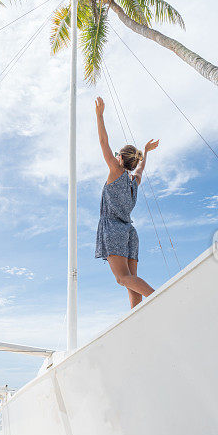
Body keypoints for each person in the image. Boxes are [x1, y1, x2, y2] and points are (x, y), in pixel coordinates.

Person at [94, 96, 158, 308]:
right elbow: (140, 169)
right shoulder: (134, 182)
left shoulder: (116, 171)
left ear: (120, 159)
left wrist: (100, 115)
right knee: (133, 286)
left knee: (122, 279)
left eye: (115, 156)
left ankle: (162, 298)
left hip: (113, 229)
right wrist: (145, 152)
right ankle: (137, 320)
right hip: (130, 232)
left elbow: (104, 142)